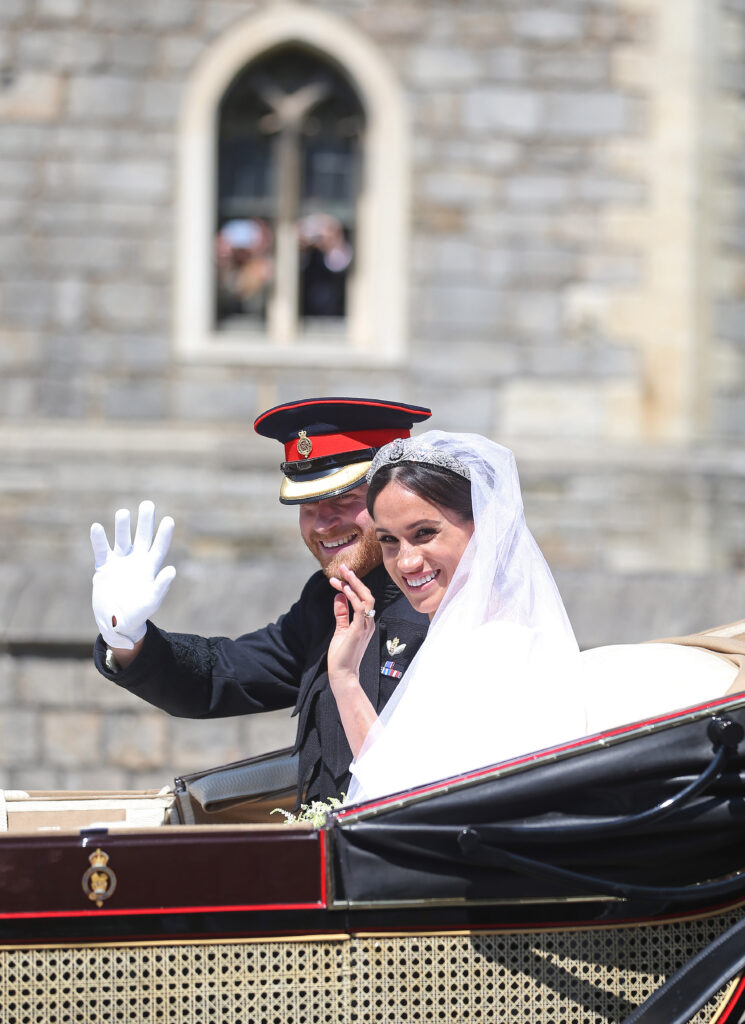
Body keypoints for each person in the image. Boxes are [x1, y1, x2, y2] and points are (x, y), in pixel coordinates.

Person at [326, 431, 745, 804]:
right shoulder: (455, 633)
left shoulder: (499, 645)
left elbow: (404, 803)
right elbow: (393, 786)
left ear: (482, 528)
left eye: (424, 533)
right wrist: (345, 677)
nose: (407, 560)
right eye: (388, 541)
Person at [89, 397, 432, 804]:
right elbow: (223, 675)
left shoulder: (441, 600)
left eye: (343, 500)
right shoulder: (324, 602)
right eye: (308, 505)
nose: (323, 523)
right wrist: (128, 640)